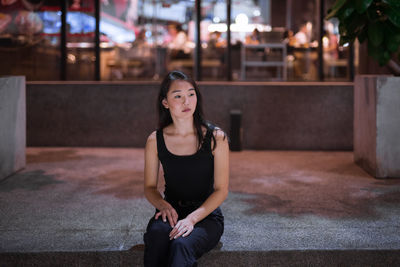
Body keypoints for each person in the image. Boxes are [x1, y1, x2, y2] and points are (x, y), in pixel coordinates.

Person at [143, 70, 229, 266]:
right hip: (170, 211)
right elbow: (149, 187)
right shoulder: (155, 140)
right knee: (157, 238)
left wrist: (191, 220)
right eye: (178, 96)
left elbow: (221, 190)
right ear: (165, 102)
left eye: (191, 94)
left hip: (206, 216)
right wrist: (163, 205)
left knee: (181, 245)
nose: (186, 101)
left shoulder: (217, 138)